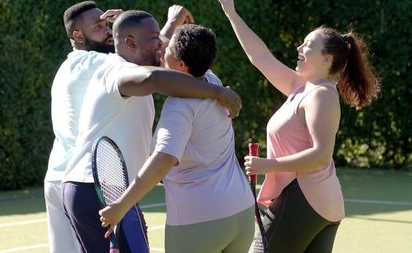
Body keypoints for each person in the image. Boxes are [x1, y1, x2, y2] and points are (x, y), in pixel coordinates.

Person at [61, 10, 243, 253]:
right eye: (155, 38)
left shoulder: (133, 59)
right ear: (130, 43)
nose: (162, 44)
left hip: (113, 190)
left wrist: (171, 23)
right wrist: (218, 93)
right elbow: (153, 77)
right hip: (96, 189)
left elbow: (162, 56)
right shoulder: (117, 70)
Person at [217, 0, 380, 252]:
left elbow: (320, 154)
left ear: (326, 59)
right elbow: (259, 56)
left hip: (304, 199)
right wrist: (231, 12)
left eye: (308, 45)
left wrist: (266, 165)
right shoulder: (302, 88)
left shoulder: (321, 95)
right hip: (320, 204)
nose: (299, 47)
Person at [44, 2, 119, 253]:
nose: (108, 31)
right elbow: (146, 56)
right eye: (98, 27)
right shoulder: (92, 62)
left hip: (56, 177)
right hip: (81, 183)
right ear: (77, 36)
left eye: (107, 24)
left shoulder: (67, 66)